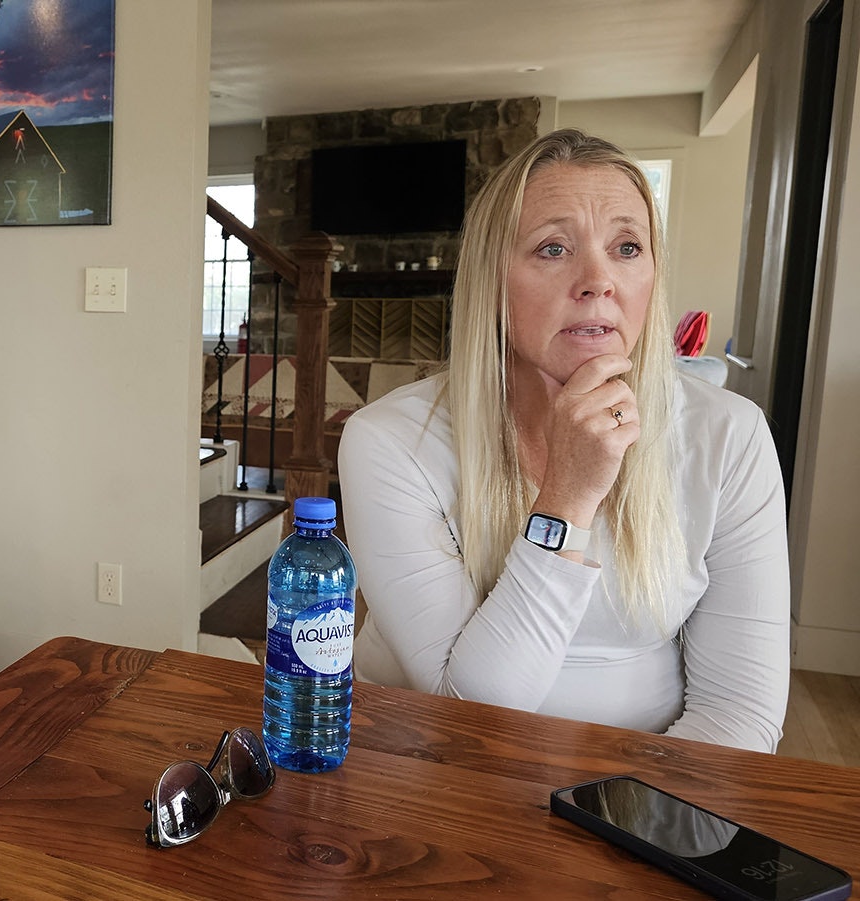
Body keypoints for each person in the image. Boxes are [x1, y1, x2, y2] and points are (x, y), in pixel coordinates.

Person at [338, 129, 788, 753]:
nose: (598, 280)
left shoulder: (730, 437)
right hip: (436, 771)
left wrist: (631, 820)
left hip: (649, 790)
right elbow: (472, 714)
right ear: (493, 283)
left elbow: (740, 711)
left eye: (627, 247)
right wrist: (567, 499)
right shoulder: (388, 442)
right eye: (553, 248)